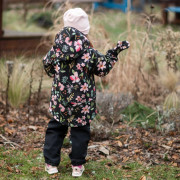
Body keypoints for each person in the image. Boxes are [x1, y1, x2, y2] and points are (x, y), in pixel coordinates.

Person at [42, 8, 130, 177]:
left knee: (56, 128)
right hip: (82, 102)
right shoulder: (89, 52)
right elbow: (102, 69)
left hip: (60, 100)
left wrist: (54, 72)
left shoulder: (57, 49)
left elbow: (46, 63)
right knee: (80, 131)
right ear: (84, 31)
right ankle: (77, 166)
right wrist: (113, 53)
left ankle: (51, 164)